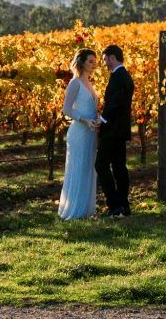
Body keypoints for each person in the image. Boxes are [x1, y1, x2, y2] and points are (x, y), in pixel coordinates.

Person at [57, 48, 100, 220]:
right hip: (79, 131)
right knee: (78, 167)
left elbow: (92, 108)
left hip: (91, 132)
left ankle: (87, 210)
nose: (94, 64)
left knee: (89, 168)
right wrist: (84, 120)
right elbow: (66, 109)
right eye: (91, 61)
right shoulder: (75, 83)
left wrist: (97, 119)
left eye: (95, 61)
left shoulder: (90, 83)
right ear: (81, 63)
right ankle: (74, 210)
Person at [96, 44, 133, 217]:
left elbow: (116, 101)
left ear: (112, 57)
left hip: (112, 130)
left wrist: (102, 119)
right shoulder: (125, 75)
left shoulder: (118, 76)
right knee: (119, 167)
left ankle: (114, 205)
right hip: (120, 130)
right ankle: (123, 206)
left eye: (105, 59)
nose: (104, 63)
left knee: (101, 164)